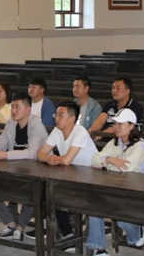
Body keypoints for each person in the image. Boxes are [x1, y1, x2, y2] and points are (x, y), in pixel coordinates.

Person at [86, 109, 144, 256]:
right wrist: (111, 160)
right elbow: (94, 160)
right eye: (115, 123)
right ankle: (98, 248)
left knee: (121, 218)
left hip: (138, 192)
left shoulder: (140, 146)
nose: (116, 127)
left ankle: (137, 233)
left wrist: (106, 163)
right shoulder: (114, 143)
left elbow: (126, 168)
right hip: (116, 187)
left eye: (120, 124)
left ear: (131, 125)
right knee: (94, 204)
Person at [0, 92, 48, 241]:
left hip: (36, 172)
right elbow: (0, 143)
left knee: (33, 193)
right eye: (12, 107)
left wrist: (5, 155)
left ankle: (20, 228)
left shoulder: (37, 125)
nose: (14, 110)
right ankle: (10, 224)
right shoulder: (11, 124)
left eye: (17, 107)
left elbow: (32, 153)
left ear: (28, 110)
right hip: (13, 170)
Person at [37, 102, 98, 240]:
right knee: (47, 191)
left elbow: (67, 160)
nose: (56, 118)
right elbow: (40, 154)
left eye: (61, 115)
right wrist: (48, 159)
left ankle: (66, 233)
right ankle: (63, 232)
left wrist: (54, 158)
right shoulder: (57, 131)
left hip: (91, 178)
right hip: (72, 175)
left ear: (72, 118)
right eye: (56, 115)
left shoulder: (80, 131)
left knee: (55, 193)